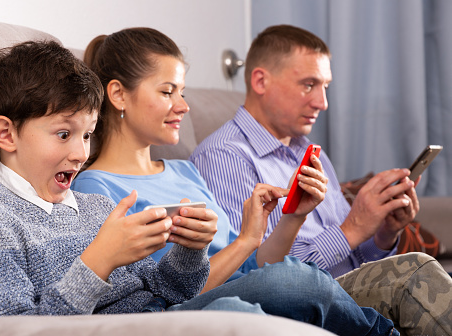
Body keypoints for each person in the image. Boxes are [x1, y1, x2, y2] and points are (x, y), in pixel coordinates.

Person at [0, 39, 398, 336]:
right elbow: (18, 328)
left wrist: (190, 249)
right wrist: (98, 261)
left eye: (87, 135)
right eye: (64, 134)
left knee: (298, 280)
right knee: (239, 317)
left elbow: (166, 287)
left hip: (159, 314)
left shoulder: (89, 205)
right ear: (6, 134)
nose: (79, 153)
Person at [70, 28, 408, 336]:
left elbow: (252, 268)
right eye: (167, 91)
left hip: (243, 288)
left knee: (289, 276)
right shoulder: (94, 189)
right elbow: (153, 292)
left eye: (182, 92)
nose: (183, 106)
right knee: (292, 279)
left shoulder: (184, 172)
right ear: (118, 94)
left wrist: (291, 217)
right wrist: (245, 242)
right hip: (177, 305)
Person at [189, 24, 452, 335]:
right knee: (417, 272)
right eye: (308, 85)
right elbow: (257, 273)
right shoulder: (224, 157)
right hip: (308, 295)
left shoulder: (308, 150)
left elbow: (355, 258)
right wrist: (352, 228)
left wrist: (383, 233)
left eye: (325, 86)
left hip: (348, 288)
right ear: (260, 80)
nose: (322, 102)